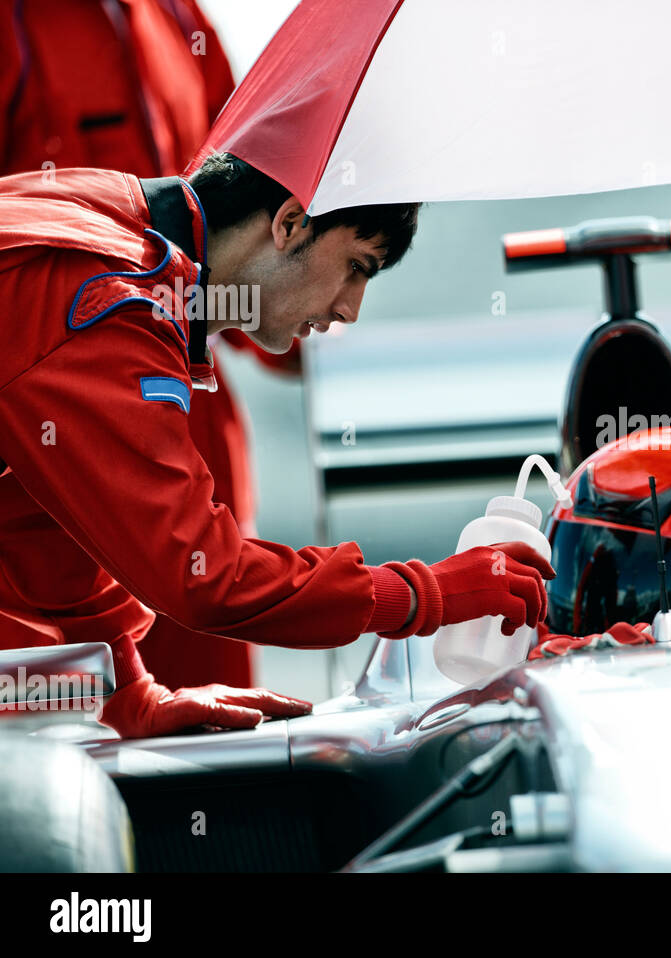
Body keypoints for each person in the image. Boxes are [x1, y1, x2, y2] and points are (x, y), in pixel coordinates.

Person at [0, 152, 553, 737]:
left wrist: (129, 692)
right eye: (356, 267)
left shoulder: (95, 213)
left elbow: (38, 520)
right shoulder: (108, 298)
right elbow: (205, 576)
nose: (349, 309)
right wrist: (424, 594)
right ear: (289, 223)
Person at [0, 0, 294, 688]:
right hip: (50, 455)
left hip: (190, 417)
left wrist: (293, 303)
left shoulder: (177, 16)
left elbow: (243, 209)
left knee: (215, 716)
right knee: (62, 738)